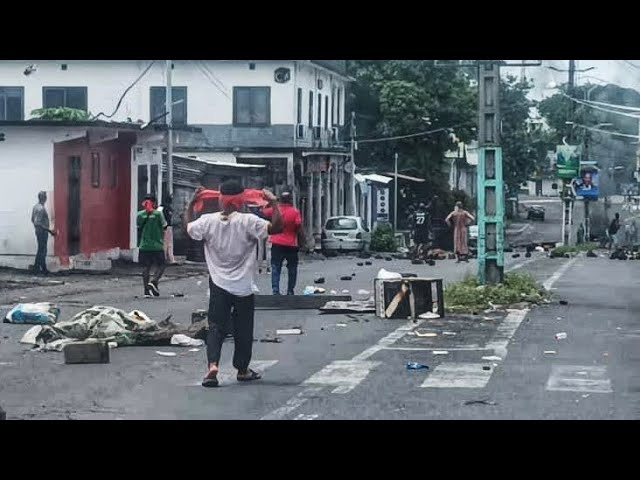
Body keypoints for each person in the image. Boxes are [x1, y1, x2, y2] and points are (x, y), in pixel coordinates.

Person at [185, 180, 283, 388]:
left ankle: (212, 365)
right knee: (243, 329)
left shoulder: (207, 221)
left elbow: (189, 228)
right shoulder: (249, 221)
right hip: (243, 287)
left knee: (216, 327)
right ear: (242, 200)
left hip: (218, 284)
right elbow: (276, 228)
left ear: (220, 199)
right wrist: (274, 203)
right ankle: (242, 369)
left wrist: (191, 204)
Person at [262, 188, 304, 295]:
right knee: (292, 268)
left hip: (277, 242)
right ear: (290, 200)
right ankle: (290, 290)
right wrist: (302, 241)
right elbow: (299, 227)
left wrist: (270, 202)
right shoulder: (295, 212)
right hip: (291, 244)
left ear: (280, 200)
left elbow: (263, 212)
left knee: (276, 267)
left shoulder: (274, 210)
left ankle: (275, 290)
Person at [137, 194, 167, 297]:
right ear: (154, 203)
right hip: (157, 245)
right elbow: (164, 227)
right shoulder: (158, 214)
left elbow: (139, 227)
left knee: (146, 267)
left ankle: (146, 291)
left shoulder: (140, 214)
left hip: (144, 245)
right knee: (162, 264)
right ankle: (154, 281)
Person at [31, 191, 56, 275]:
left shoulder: (35, 207)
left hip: (39, 231)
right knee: (43, 250)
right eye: (45, 196)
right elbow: (37, 222)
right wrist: (49, 231)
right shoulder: (41, 209)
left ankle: (37, 267)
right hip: (42, 232)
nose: (46, 198)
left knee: (40, 249)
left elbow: (32, 220)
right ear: (43, 198)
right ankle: (41, 268)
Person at [158, 195, 176, 265]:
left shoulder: (160, 207)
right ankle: (170, 259)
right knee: (169, 243)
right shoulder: (169, 207)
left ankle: (165, 258)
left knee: (165, 243)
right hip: (168, 226)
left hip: (162, 226)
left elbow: (157, 214)